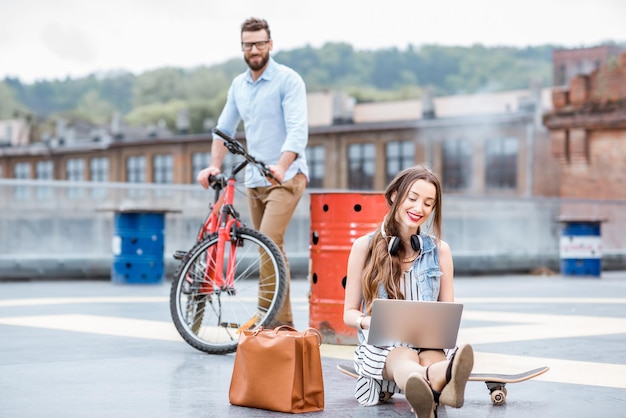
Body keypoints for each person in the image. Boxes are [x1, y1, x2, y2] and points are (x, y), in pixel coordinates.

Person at [196, 17, 308, 328]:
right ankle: (281, 323)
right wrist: (214, 165)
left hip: (286, 178)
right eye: (248, 44)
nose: (254, 49)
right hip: (255, 178)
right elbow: (223, 129)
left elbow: (298, 130)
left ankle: (265, 319)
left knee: (269, 241)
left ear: (270, 45)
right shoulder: (239, 85)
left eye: (259, 43)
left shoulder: (288, 80)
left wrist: (282, 166)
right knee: (268, 248)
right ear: (242, 47)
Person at [343, 166, 474, 418]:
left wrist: (442, 333)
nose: (419, 209)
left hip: (427, 343)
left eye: (428, 203)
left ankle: (428, 392)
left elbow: (447, 312)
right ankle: (439, 381)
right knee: (404, 359)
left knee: (434, 356)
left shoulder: (440, 250)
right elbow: (348, 314)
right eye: (412, 198)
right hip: (384, 347)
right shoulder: (364, 247)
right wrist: (367, 321)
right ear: (395, 196)